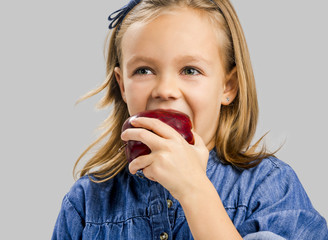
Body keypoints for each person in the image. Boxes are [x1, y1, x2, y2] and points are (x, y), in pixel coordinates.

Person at [52, 0, 328, 239]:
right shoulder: (86, 203)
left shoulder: (269, 187)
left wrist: (194, 190)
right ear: (122, 85)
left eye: (190, 70)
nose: (165, 90)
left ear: (227, 87)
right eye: (144, 70)